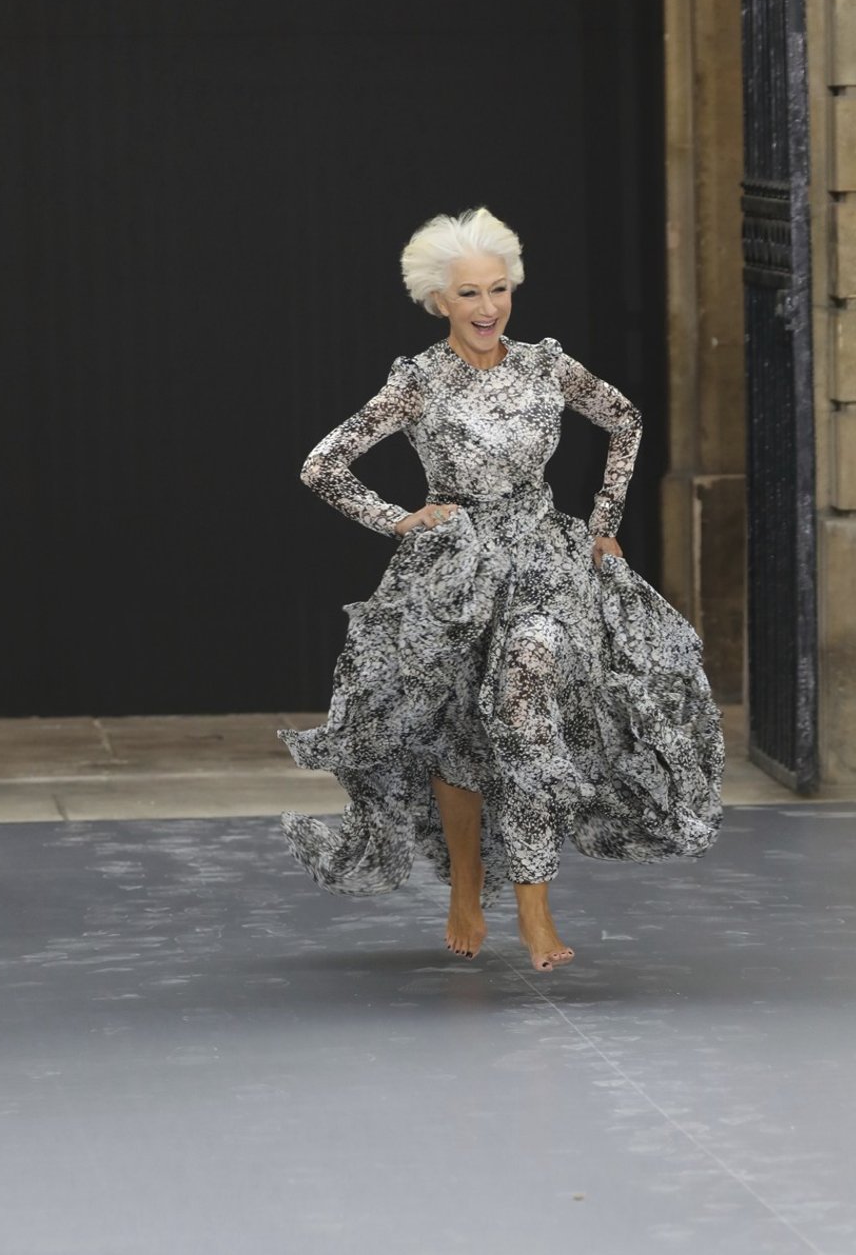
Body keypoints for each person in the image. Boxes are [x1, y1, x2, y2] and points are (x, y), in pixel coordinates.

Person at [279, 207, 724, 973]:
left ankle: (534, 902)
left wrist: (604, 520)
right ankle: (465, 888)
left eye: (498, 290)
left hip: (542, 558)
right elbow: (322, 465)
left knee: (526, 698)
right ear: (437, 302)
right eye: (468, 295)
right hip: (453, 573)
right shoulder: (418, 383)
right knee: (461, 735)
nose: (487, 309)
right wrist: (401, 520)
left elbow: (624, 419)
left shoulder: (546, 366)